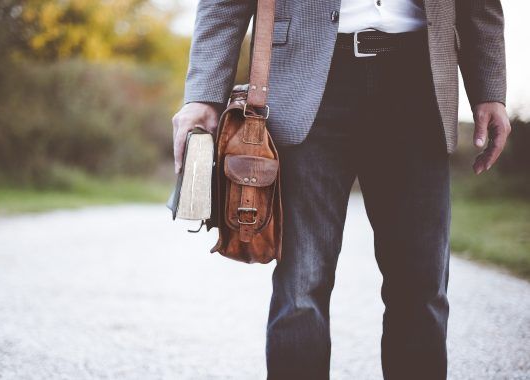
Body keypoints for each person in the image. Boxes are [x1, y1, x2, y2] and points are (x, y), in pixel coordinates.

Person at [171, 0, 510, 379]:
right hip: (308, 79)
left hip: (420, 80)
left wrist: (489, 88)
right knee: (301, 289)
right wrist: (203, 94)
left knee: (422, 290)